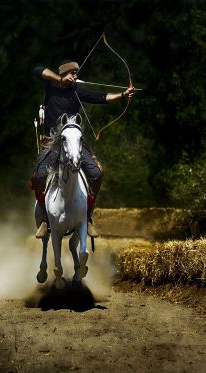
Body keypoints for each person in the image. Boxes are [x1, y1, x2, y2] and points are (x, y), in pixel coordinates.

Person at [31, 59, 135, 239]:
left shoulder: (77, 91)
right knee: (39, 175)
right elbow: (37, 70)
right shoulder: (51, 85)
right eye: (72, 73)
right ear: (64, 74)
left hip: (73, 142)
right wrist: (59, 80)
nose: (75, 76)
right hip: (51, 142)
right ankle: (46, 220)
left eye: (76, 73)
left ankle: (86, 218)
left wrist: (123, 95)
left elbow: (101, 97)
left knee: (96, 173)